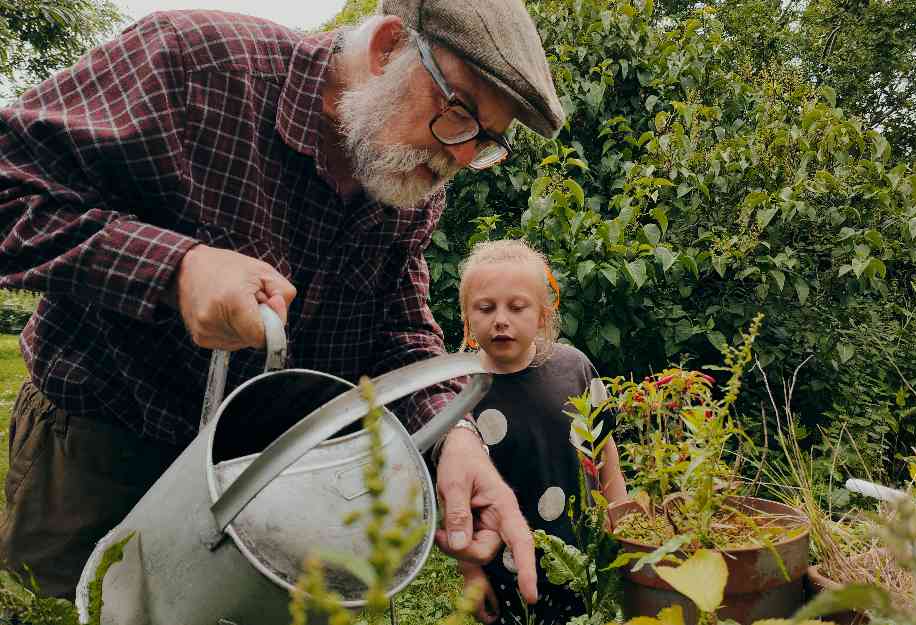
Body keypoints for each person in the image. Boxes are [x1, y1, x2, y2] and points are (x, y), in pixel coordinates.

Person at [0, 0, 566, 599]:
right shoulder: (196, 65)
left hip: (263, 476)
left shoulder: (410, 178)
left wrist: (454, 435)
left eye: (485, 141)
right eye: (458, 114)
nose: (460, 157)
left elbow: (395, 329)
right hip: (101, 446)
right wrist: (176, 268)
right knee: (72, 605)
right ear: (388, 49)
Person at [451, 240, 628, 625]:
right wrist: (471, 573)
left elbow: (605, 449)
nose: (501, 319)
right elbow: (457, 500)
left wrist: (621, 516)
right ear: (466, 317)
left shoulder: (573, 368)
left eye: (517, 307)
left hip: (583, 558)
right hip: (504, 572)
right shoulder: (457, 391)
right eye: (486, 308)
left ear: (543, 317)